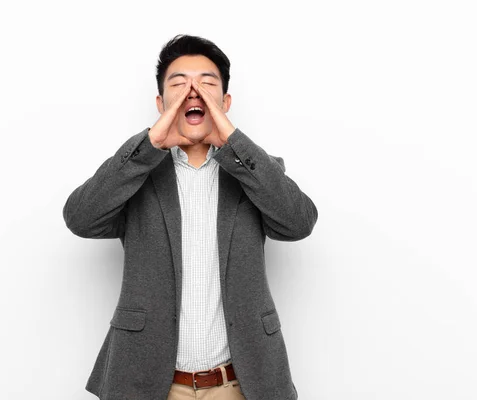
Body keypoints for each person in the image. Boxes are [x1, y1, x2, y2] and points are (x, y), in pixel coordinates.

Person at [63, 34, 318, 400]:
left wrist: (233, 142)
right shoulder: (136, 175)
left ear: (226, 102)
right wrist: (149, 145)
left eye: (207, 84)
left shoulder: (256, 172)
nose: (192, 93)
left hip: (238, 385)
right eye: (179, 85)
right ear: (160, 102)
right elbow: (80, 217)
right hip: (148, 385)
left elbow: (299, 222)